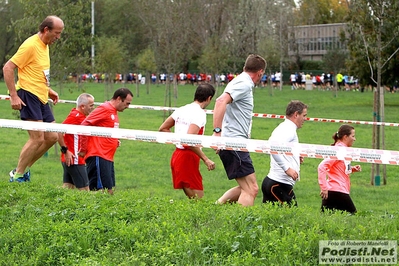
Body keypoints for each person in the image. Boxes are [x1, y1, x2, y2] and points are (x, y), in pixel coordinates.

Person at [3, 15, 64, 182]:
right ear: (46, 30)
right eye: (56, 33)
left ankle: (22, 170)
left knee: (52, 137)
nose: (58, 37)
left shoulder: (45, 44)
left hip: (41, 95)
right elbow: (8, 67)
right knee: (37, 138)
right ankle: (17, 176)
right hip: (28, 94)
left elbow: (36, 71)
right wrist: (13, 95)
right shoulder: (30, 45)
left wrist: (48, 89)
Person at [213, 54, 266, 206]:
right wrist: (217, 133)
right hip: (234, 142)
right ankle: (240, 227)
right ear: (260, 72)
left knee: (245, 187)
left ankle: (214, 209)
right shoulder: (244, 83)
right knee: (252, 189)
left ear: (245, 68)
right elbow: (220, 101)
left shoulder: (240, 81)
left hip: (234, 141)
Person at [159, 84, 216, 199]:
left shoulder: (181, 109)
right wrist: (206, 159)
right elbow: (189, 141)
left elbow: (163, 128)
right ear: (209, 98)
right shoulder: (200, 114)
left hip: (177, 155)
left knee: (193, 198)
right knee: (198, 200)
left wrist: (177, 141)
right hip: (188, 157)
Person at [80, 88, 133, 194]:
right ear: (119, 99)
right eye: (127, 103)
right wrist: (83, 148)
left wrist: (114, 140)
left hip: (107, 157)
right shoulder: (105, 109)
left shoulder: (113, 111)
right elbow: (84, 126)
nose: (128, 106)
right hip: (98, 155)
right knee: (100, 192)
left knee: (109, 191)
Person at [261, 100, 308, 206]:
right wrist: (287, 168)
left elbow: (280, 148)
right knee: (293, 218)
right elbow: (272, 146)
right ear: (296, 114)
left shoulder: (286, 127)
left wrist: (295, 157)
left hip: (275, 183)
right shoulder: (288, 129)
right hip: (278, 185)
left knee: (270, 221)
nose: (305, 119)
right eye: (304, 115)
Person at [318, 124, 362, 214]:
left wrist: (352, 169)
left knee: (325, 222)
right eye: (353, 136)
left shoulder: (343, 150)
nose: (355, 139)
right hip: (337, 191)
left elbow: (338, 167)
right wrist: (324, 188)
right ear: (345, 137)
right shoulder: (339, 150)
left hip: (335, 191)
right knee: (354, 219)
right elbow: (322, 166)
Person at [58, 93, 95, 191]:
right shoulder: (76, 117)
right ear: (82, 106)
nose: (93, 108)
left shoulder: (79, 116)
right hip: (75, 159)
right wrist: (65, 151)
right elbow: (58, 131)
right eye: (91, 105)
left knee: (67, 187)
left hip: (70, 159)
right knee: (85, 190)